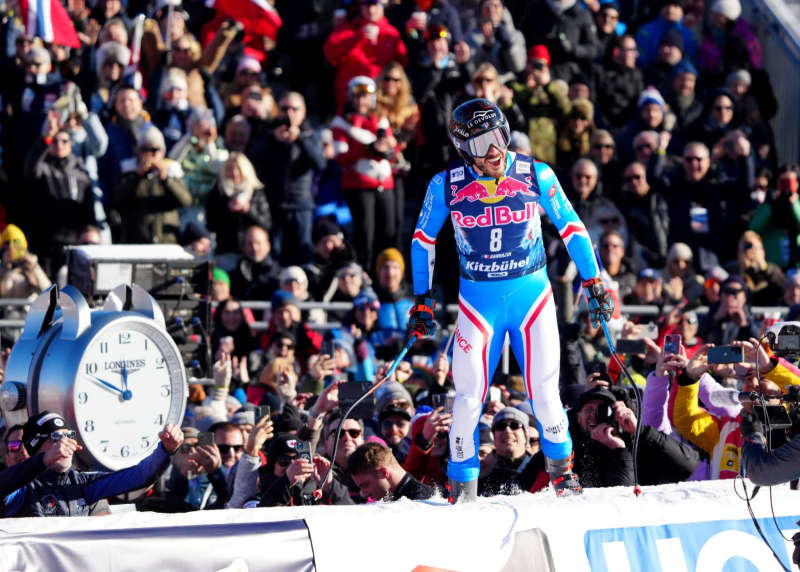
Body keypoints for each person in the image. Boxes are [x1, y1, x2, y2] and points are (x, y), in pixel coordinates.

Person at [409, 98, 613, 500]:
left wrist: (594, 284)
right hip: (477, 304)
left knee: (544, 394)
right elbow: (422, 241)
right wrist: (422, 300)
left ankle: (562, 475)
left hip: (531, 296)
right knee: (467, 399)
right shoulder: (446, 184)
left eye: (499, 135)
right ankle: (462, 488)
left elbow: (571, 227)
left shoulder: (535, 173)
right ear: (463, 149)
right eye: (481, 142)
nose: (494, 150)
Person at [3, 411, 183, 517]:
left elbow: (138, 476)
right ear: (36, 446)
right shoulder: (23, 488)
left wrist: (166, 449)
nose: (66, 443)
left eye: (69, 436)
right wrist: (43, 460)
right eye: (56, 438)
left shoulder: (83, 483)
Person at [478, 407, 549, 496]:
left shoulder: (541, 465)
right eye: (501, 426)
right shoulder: (482, 473)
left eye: (514, 425)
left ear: (525, 436)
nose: (507, 431)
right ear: (494, 436)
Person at [347, 442, 437, 501]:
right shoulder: (401, 499)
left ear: (384, 472)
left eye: (365, 485)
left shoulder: (423, 501)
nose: (364, 494)